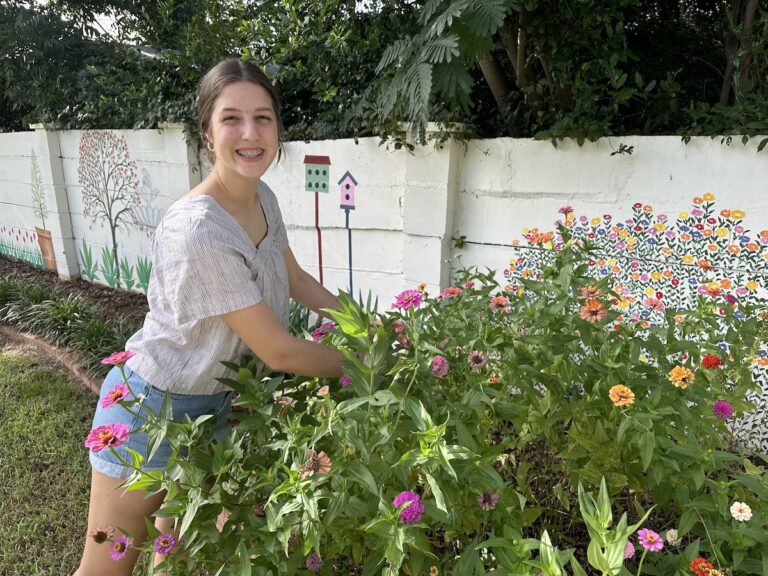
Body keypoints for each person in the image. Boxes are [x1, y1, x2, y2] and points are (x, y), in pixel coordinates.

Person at [74, 58, 345, 576]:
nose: (250, 132)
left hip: (214, 407)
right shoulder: (199, 230)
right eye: (231, 118)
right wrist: (362, 361)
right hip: (148, 412)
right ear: (206, 132)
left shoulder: (261, 197)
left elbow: (294, 277)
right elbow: (279, 351)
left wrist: (360, 324)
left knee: (177, 551)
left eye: (264, 117)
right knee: (107, 568)